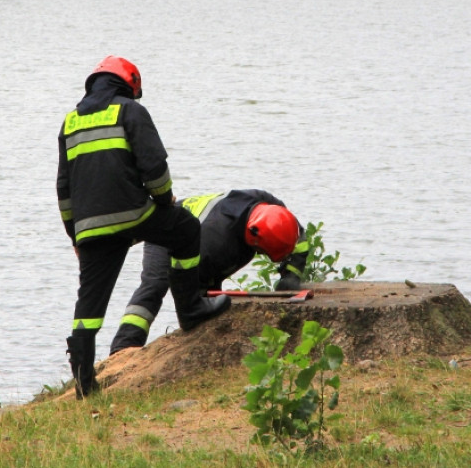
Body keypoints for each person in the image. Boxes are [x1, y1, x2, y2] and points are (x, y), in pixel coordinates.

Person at [57, 56, 230, 398]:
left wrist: (74, 234)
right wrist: (165, 201)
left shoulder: (69, 122)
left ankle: (83, 384)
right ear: (129, 83)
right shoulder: (130, 111)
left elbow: (64, 189)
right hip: (136, 214)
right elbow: (154, 167)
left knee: (88, 307)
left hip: (89, 227)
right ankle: (191, 309)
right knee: (185, 229)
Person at [109, 189, 307, 354]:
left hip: (200, 232)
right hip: (167, 228)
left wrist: (291, 274)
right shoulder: (216, 242)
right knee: (155, 284)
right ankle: (124, 347)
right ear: (255, 239)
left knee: (211, 289)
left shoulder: (270, 207)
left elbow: (299, 236)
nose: (261, 254)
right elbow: (183, 280)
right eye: (262, 251)